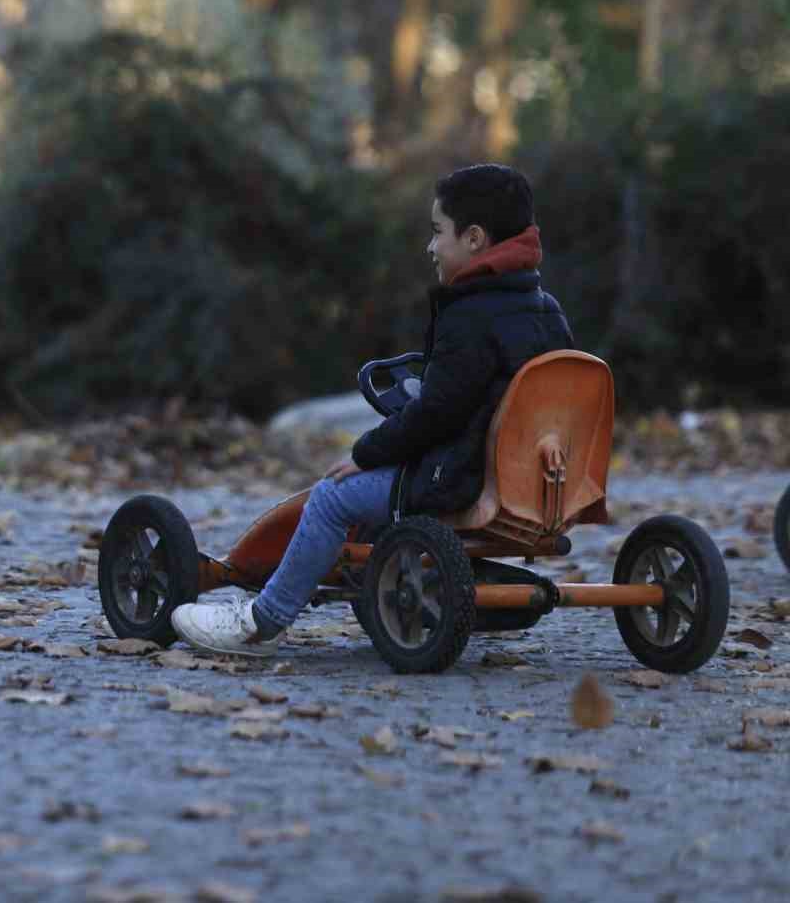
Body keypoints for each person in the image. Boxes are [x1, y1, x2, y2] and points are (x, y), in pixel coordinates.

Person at [171, 163, 574, 654]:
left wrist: (366, 453)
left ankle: (261, 619)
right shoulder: (547, 310)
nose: (430, 247)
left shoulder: (469, 316)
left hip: (461, 480)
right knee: (370, 487)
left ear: (472, 239)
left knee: (332, 497)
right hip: (533, 487)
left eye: (436, 232)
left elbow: (437, 414)